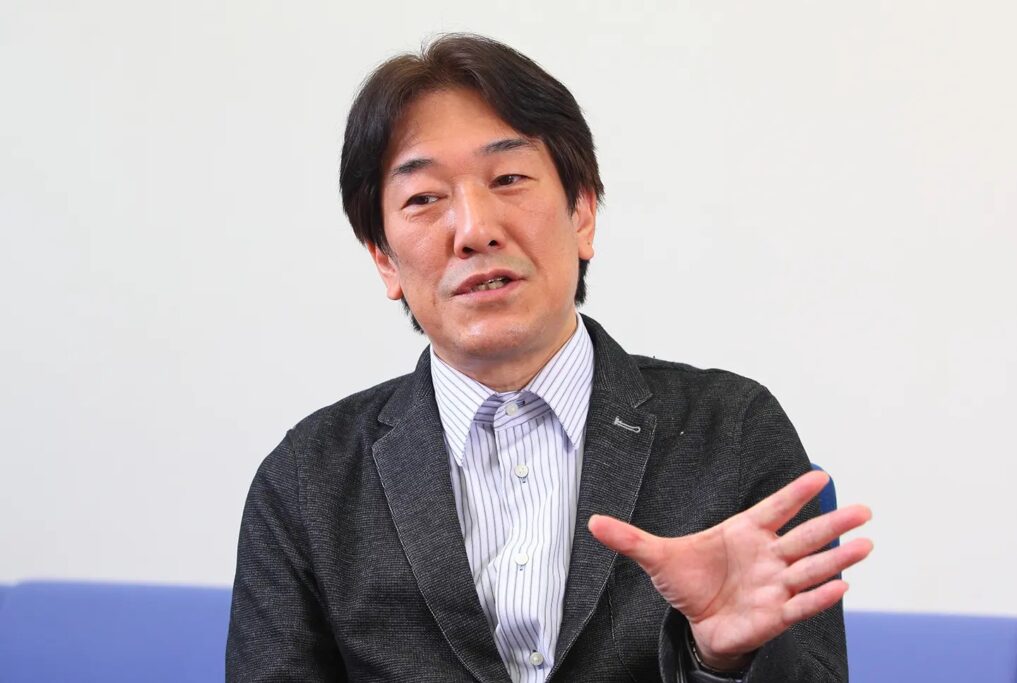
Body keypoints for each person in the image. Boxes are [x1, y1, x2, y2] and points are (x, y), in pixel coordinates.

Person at [226, 33, 872, 682]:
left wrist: (721, 662)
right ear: (383, 259)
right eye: (424, 198)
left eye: (508, 179)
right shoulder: (308, 481)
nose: (475, 229)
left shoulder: (729, 432)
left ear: (582, 212)